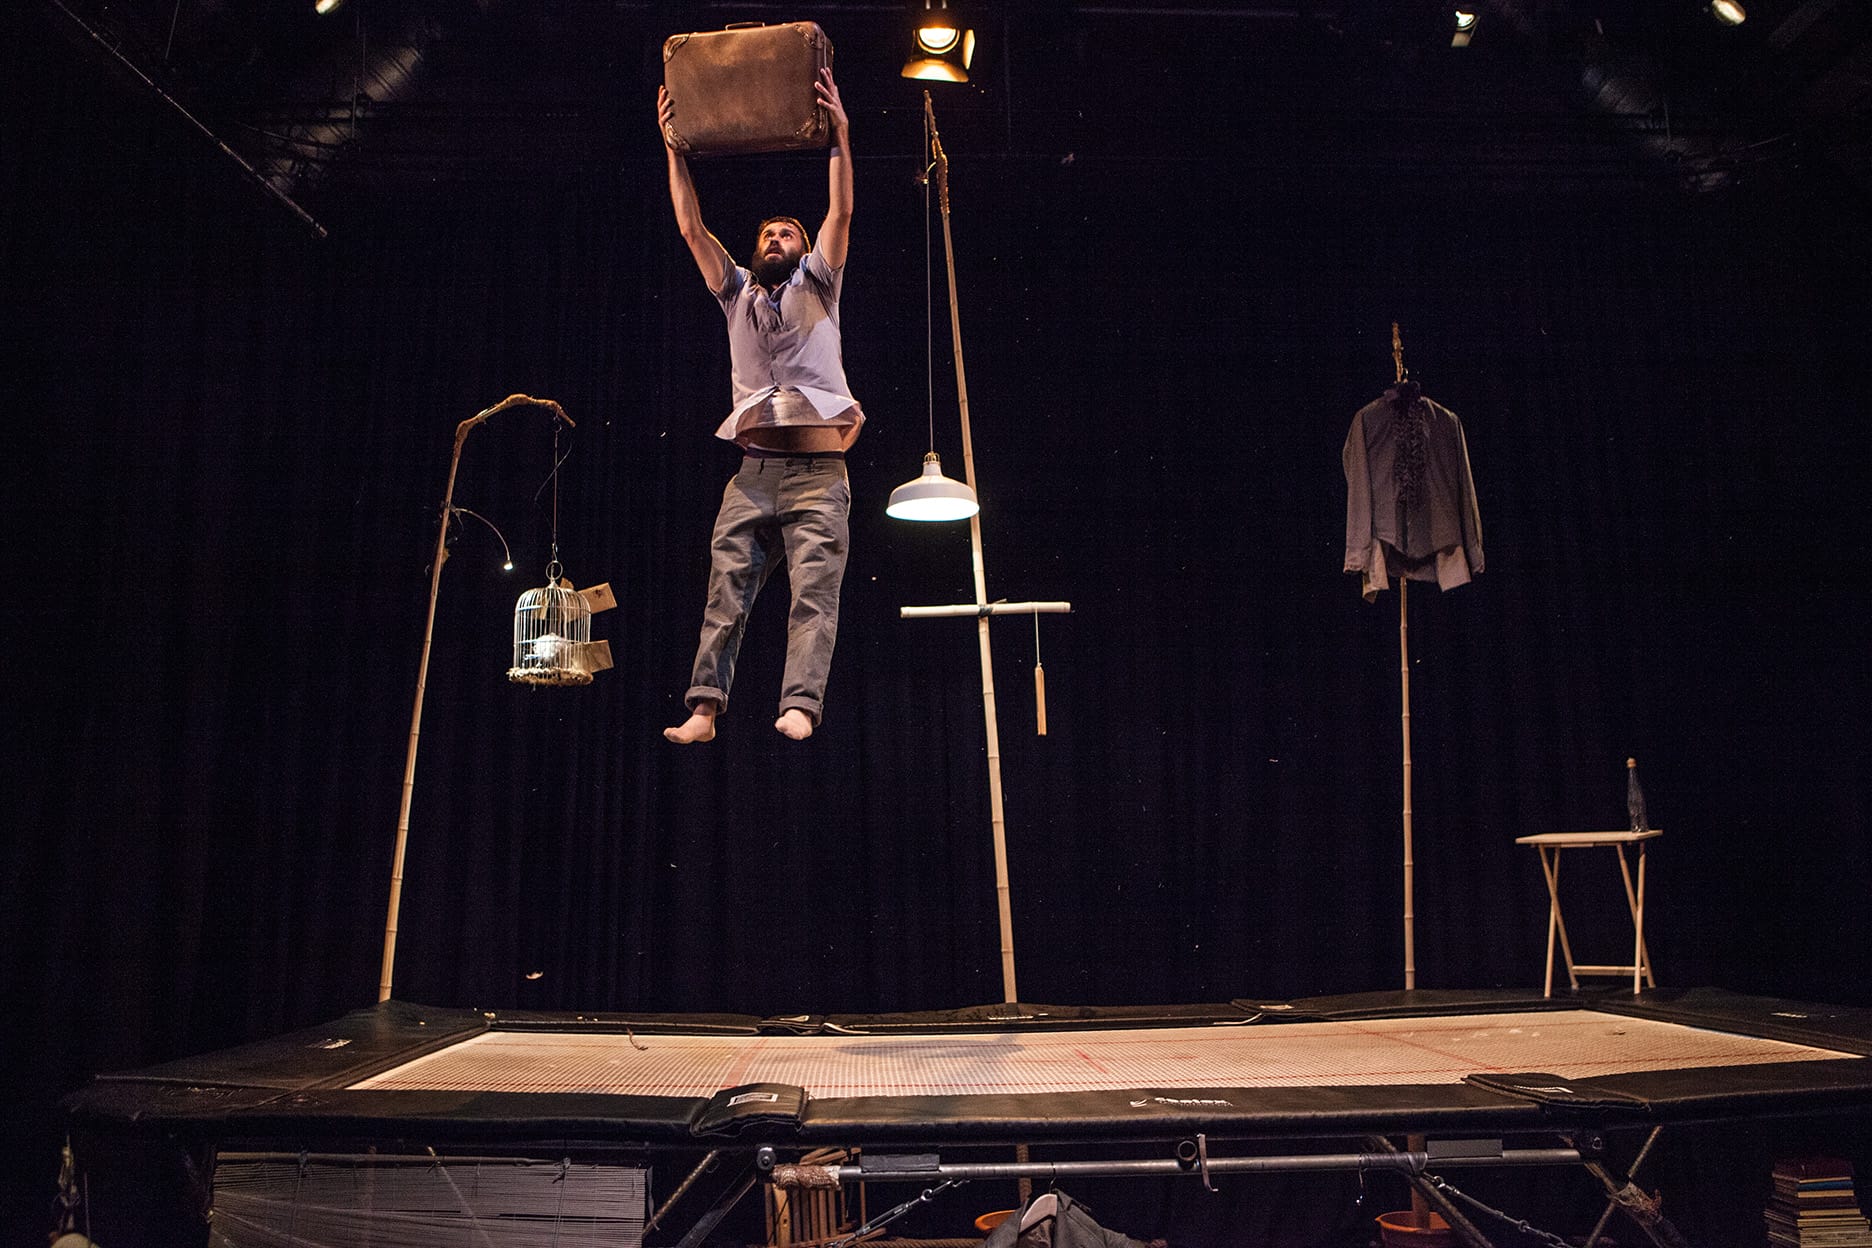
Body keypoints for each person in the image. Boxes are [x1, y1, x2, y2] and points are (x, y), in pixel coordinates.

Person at [657, 67, 861, 744]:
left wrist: (840, 136)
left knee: (813, 593)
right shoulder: (735, 293)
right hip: (753, 474)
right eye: (769, 234)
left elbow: (841, 214)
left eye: (788, 235)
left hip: (818, 475)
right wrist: (675, 148)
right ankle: (706, 709)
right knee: (726, 592)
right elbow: (691, 227)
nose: (777, 239)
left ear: (804, 251)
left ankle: (800, 703)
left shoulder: (818, 285)